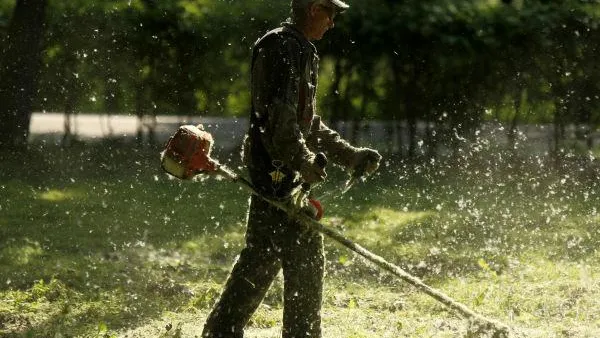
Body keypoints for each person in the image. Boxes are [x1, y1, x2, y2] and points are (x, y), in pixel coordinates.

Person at [201, 0, 381, 337]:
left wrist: (349, 155)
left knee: (260, 256)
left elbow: (307, 123)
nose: (333, 23)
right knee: (306, 261)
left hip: (278, 166)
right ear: (314, 8)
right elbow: (278, 119)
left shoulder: (301, 48)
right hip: (275, 170)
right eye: (331, 14)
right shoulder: (281, 47)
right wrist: (303, 160)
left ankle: (220, 331)